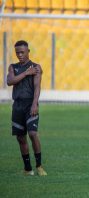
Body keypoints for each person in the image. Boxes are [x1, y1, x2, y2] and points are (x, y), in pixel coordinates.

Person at [6, 40, 47, 176]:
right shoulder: (13, 67)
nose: (20, 55)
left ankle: (39, 166)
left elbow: (37, 86)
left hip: (30, 104)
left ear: (28, 52)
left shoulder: (36, 67)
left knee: (33, 134)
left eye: (22, 52)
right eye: (17, 52)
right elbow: (10, 81)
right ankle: (28, 169)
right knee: (20, 138)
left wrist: (35, 103)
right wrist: (25, 73)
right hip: (17, 106)